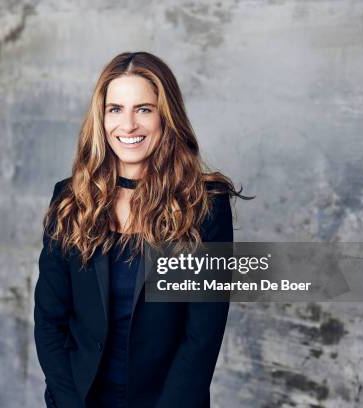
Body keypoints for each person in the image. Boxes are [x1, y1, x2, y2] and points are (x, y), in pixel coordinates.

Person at [34, 51, 249, 408]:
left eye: (144, 109)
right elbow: (49, 321)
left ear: (166, 117)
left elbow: (202, 338)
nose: (128, 125)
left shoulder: (207, 205)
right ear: (101, 119)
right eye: (115, 109)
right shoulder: (70, 198)